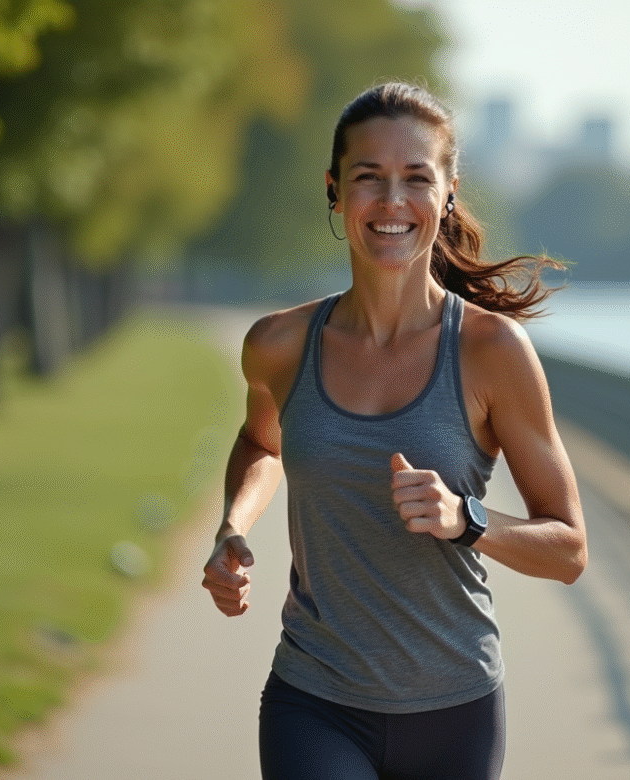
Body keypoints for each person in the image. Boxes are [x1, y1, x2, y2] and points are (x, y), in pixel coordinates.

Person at [202, 81, 587, 780]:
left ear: (447, 193)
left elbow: (568, 548)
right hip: (313, 699)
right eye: (368, 178)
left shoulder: (490, 352)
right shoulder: (279, 345)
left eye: (416, 178)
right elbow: (262, 442)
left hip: (455, 709)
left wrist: (465, 518)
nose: (391, 203)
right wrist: (232, 528)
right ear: (334, 190)